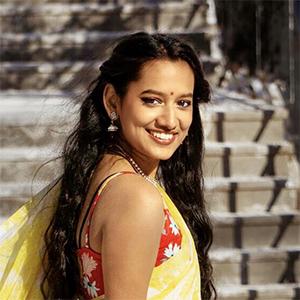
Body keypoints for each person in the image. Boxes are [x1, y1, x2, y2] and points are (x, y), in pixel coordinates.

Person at [0, 32, 215, 299]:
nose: (170, 120)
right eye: (152, 100)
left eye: (183, 103)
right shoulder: (136, 197)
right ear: (113, 101)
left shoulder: (99, 172)